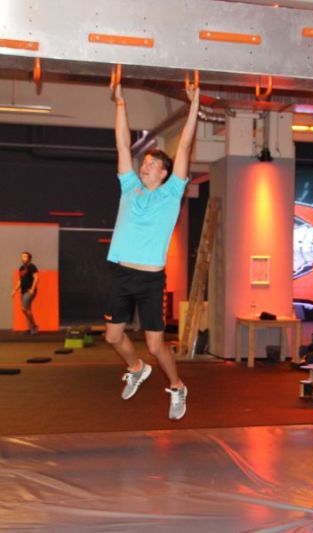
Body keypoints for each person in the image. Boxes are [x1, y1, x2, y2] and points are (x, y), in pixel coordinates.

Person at [104, 82, 200, 420]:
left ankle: (177, 386)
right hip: (122, 273)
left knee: (156, 345)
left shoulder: (171, 193)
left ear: (164, 172)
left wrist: (194, 105)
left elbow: (185, 144)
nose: (144, 166)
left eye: (151, 164)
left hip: (150, 281)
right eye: (143, 162)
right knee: (112, 336)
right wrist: (120, 103)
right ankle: (136, 368)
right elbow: (121, 143)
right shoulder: (129, 186)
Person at [11, 251, 39, 334]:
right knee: (27, 310)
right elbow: (20, 281)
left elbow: (36, 278)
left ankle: (34, 326)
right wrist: (15, 290)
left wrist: (32, 289)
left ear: (29, 258)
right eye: (22, 256)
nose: (23, 258)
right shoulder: (21, 268)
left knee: (24, 309)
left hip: (29, 291)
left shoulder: (32, 266)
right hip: (23, 291)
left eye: (25, 256)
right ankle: (30, 329)